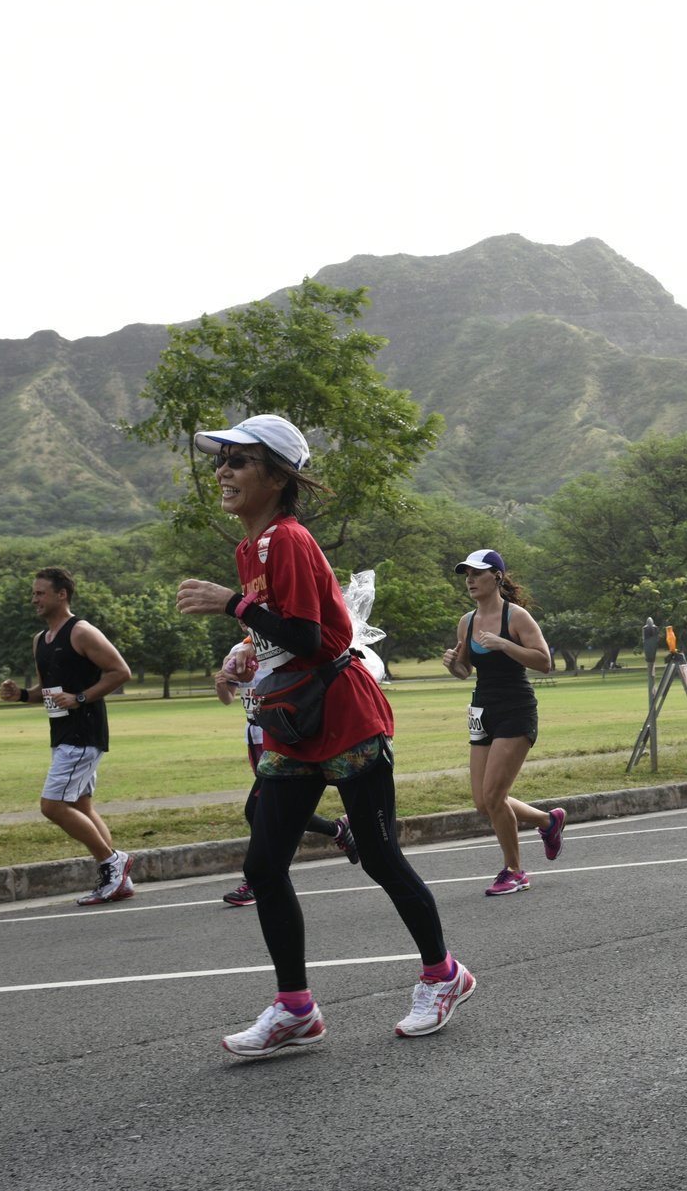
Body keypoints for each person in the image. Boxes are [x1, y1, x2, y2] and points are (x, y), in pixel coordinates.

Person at [177, 413, 469, 1056]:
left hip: (341, 715)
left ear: (278, 476)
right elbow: (283, 637)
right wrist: (247, 652)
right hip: (291, 720)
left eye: (239, 460)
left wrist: (233, 606)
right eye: (220, 460)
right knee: (263, 861)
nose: (223, 471)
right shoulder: (249, 549)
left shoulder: (288, 538)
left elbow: (310, 638)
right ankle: (296, 1008)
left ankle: (444, 974)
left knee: (379, 853)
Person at [0, 568, 136, 906]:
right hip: (62, 733)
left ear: (62, 595)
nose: (34, 599)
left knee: (53, 805)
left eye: (40, 593)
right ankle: (120, 880)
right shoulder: (40, 640)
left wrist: (81, 698)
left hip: (83, 732)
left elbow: (121, 672)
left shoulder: (82, 632)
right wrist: (19, 695)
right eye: (33, 593)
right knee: (79, 805)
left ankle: (112, 861)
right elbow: (46, 692)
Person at [442, 548, 566, 895]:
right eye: (466, 574)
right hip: (482, 710)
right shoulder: (467, 621)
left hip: (516, 708)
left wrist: (502, 644)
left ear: (496, 576)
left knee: (496, 794)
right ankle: (547, 821)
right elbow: (465, 671)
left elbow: (544, 662)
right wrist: (453, 663)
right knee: (483, 802)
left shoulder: (517, 617)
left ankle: (515, 871)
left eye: (477, 573)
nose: (470, 580)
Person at [214, 635, 359, 907]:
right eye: (241, 619)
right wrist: (222, 685)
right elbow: (228, 697)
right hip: (257, 738)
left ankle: (258, 879)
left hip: (283, 737)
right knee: (274, 808)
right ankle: (336, 830)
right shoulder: (238, 651)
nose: (246, 623)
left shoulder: (282, 646)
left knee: (257, 809)